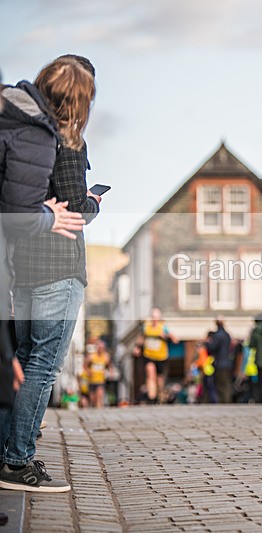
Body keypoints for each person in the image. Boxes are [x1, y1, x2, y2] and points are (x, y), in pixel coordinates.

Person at [0, 56, 98, 493]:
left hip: (22, 264)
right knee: (43, 363)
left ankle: (8, 449)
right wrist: (95, 202)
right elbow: (76, 209)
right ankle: (18, 460)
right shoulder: (68, 140)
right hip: (58, 265)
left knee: (21, 360)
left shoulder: (25, 130)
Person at [134, 308, 176, 404]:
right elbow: (141, 338)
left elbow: (172, 337)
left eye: (156, 317)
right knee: (150, 375)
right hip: (149, 355)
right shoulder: (146, 327)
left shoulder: (163, 327)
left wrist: (166, 336)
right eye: (153, 317)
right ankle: (151, 397)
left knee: (159, 380)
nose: (154, 319)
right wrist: (137, 347)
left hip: (161, 356)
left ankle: (159, 396)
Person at [208, 316, 233, 404]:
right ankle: (227, 400)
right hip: (228, 363)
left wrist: (208, 343)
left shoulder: (218, 335)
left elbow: (212, 347)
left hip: (220, 363)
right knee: (227, 383)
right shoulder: (227, 334)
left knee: (221, 385)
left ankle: (224, 402)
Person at [85, 342, 109, 409]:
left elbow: (109, 366)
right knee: (93, 399)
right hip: (92, 380)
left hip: (100, 380)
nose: (101, 349)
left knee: (99, 397)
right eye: (99, 348)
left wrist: (108, 371)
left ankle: (99, 412)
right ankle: (94, 410)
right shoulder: (92, 356)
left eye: (102, 348)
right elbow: (85, 366)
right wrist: (88, 371)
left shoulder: (105, 356)